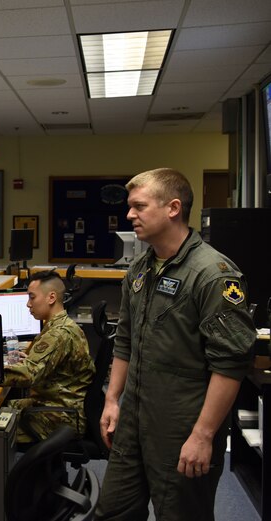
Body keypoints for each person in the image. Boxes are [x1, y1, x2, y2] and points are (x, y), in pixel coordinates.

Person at [95, 168, 255, 521]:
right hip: (134, 418)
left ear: (173, 208)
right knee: (113, 512)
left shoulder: (213, 274)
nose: (129, 215)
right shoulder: (140, 268)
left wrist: (203, 435)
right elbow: (125, 339)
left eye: (139, 206)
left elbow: (230, 363)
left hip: (182, 426)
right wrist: (111, 399)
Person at [3, 270, 95, 443]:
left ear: (51, 298)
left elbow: (28, 375)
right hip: (63, 405)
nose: (28, 304)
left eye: (32, 297)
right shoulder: (65, 325)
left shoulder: (57, 334)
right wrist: (29, 360)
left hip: (60, 416)